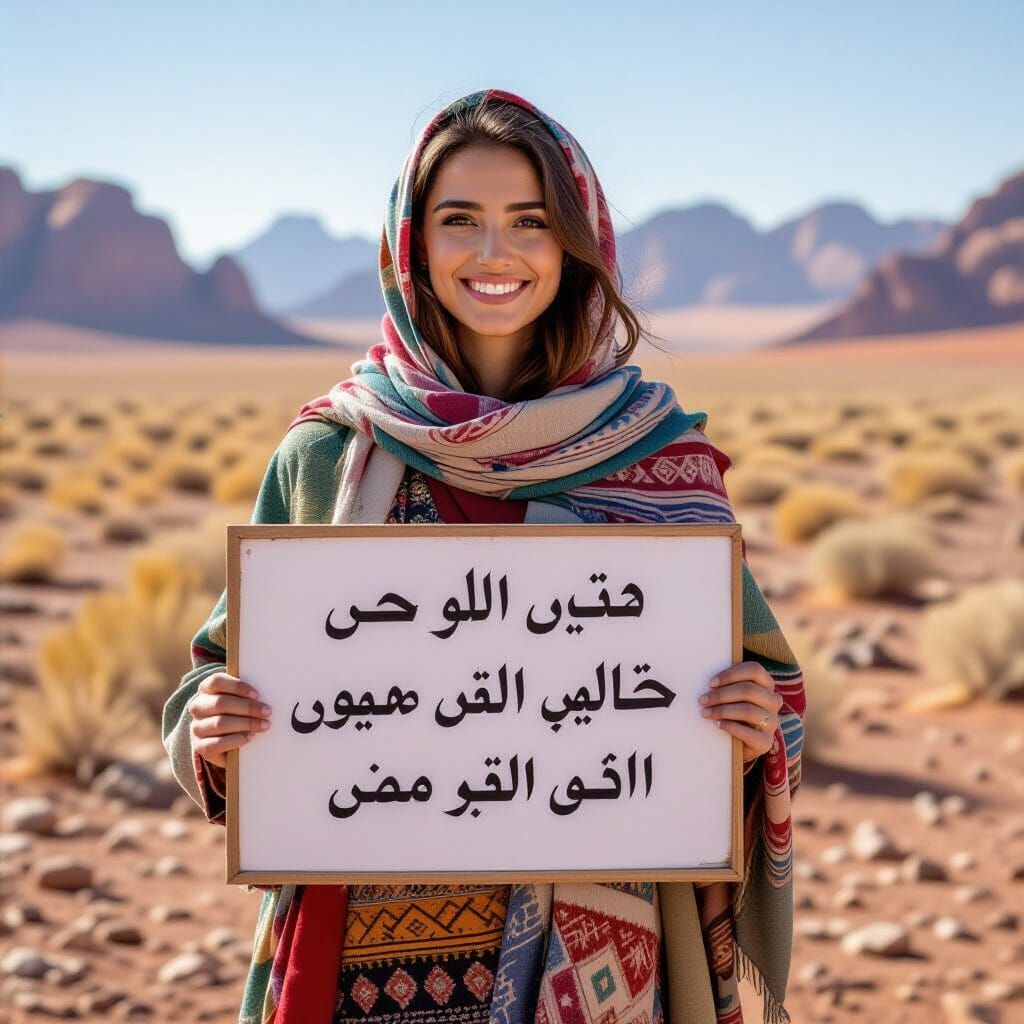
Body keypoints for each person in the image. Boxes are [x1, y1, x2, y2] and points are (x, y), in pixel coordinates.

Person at [162, 89, 805, 1024]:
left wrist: (753, 729)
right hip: (365, 962)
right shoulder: (331, 455)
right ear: (412, 244)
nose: (494, 252)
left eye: (531, 223)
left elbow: (766, 693)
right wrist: (214, 729)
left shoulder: (658, 457)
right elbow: (220, 674)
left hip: (601, 955)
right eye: (460, 219)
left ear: (575, 246)